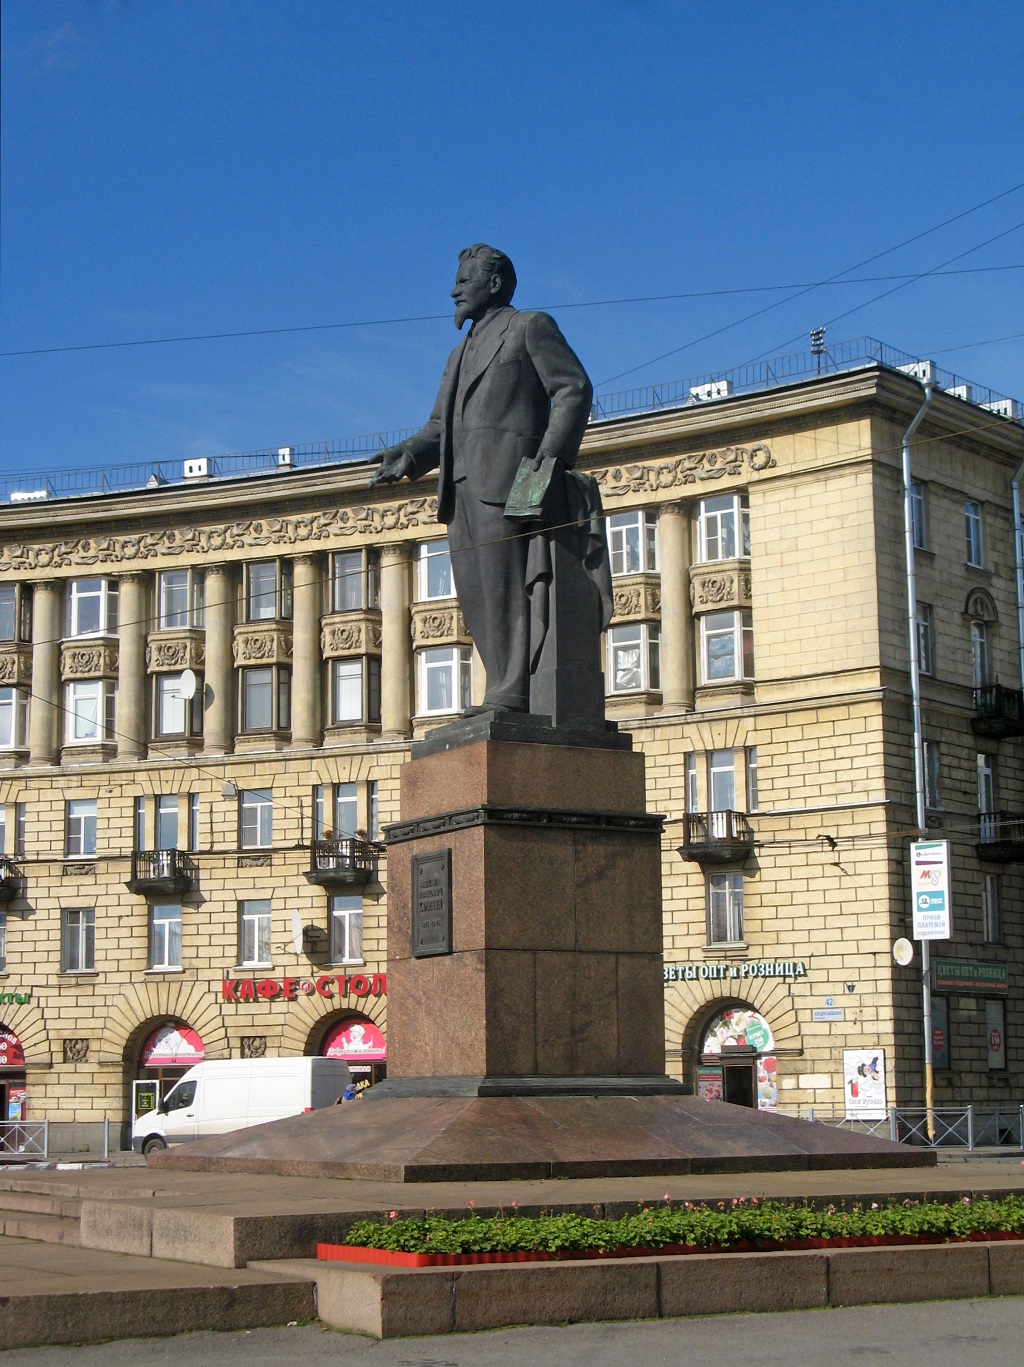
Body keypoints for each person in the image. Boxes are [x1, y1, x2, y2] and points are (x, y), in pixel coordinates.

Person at [370, 245, 594, 713]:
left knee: (504, 588)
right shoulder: (458, 354)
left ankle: (512, 689)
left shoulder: (529, 326)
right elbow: (438, 426)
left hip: (510, 482)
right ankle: (501, 684)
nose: (454, 291)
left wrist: (546, 464)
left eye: (463, 281)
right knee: (476, 596)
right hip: (460, 489)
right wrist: (407, 455)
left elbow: (572, 389)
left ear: (493, 284)